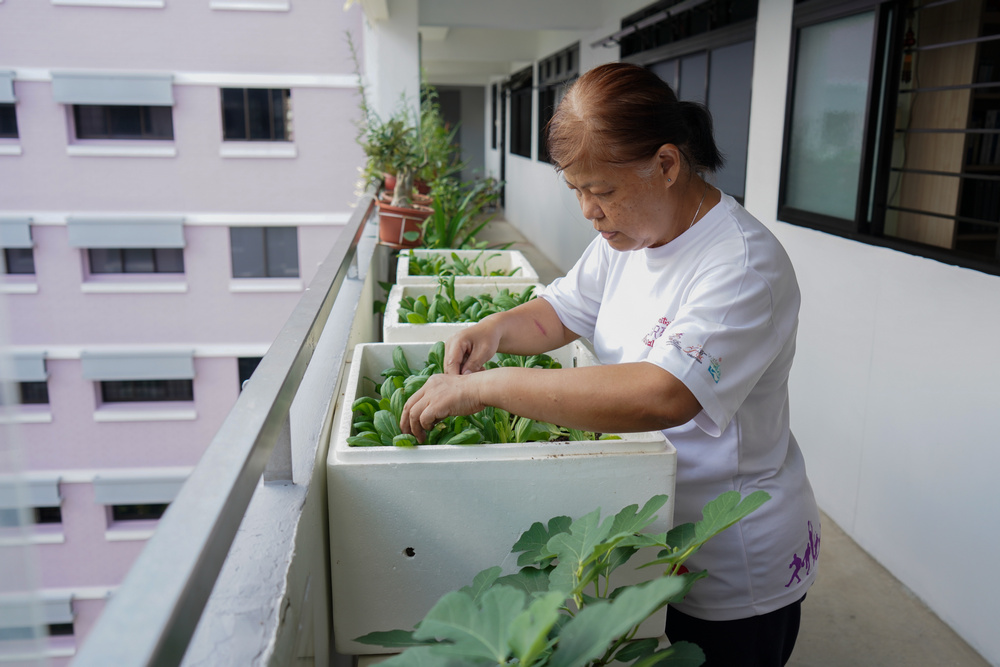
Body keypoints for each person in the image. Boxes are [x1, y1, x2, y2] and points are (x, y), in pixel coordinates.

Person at [400, 62, 819, 667]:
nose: (588, 212)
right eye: (576, 190)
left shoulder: (741, 265)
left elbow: (662, 394)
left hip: (729, 559)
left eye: (601, 191)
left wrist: (487, 387)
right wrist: (493, 330)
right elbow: (562, 311)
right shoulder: (628, 237)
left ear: (667, 164)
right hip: (647, 529)